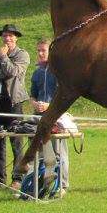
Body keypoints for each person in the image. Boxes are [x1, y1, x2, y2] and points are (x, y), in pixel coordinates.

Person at [0, 23, 29, 190]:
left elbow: (13, 72)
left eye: (10, 36)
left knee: (16, 140)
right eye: (5, 36)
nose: (7, 38)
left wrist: (4, 59)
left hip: (14, 103)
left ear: (16, 37)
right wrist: (2, 67)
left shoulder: (22, 55)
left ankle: (18, 178)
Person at [28, 38, 68, 194]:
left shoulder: (59, 72)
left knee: (59, 152)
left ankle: (62, 185)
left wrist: (49, 106)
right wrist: (34, 103)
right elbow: (32, 94)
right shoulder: (37, 72)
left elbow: (64, 94)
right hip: (38, 117)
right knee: (37, 152)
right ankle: (37, 184)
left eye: (43, 50)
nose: (40, 53)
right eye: (38, 50)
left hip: (56, 116)